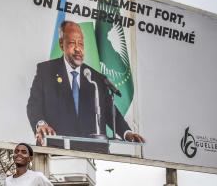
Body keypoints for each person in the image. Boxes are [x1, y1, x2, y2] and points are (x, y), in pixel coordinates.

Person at [26, 21, 145, 151]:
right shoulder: (46, 71)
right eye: (72, 43)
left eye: (81, 43)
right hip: (56, 150)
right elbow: (34, 104)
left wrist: (127, 133)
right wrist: (41, 124)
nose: (78, 48)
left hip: (91, 153)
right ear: (61, 44)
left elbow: (109, 110)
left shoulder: (96, 78)